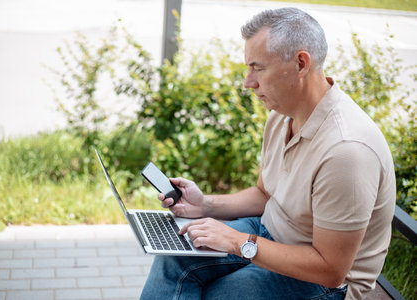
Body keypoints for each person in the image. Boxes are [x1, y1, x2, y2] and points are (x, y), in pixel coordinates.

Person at [141, 7, 396, 300]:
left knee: (218, 295)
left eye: (258, 68)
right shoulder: (282, 114)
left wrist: (237, 242)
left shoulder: (346, 152)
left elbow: (331, 269)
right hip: (270, 230)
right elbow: (265, 194)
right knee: (175, 255)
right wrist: (205, 206)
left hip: (326, 281)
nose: (248, 82)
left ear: (301, 64)